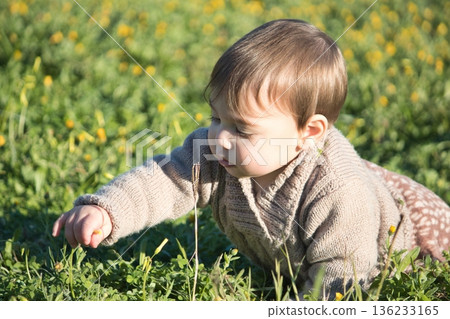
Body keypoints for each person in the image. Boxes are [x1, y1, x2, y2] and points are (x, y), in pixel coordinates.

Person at [52, 19, 450, 299]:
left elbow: (342, 275)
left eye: (242, 129)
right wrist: (107, 211)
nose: (219, 137)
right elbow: (164, 179)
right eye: (215, 117)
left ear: (307, 133)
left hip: (408, 244)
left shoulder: (340, 192)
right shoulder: (217, 150)